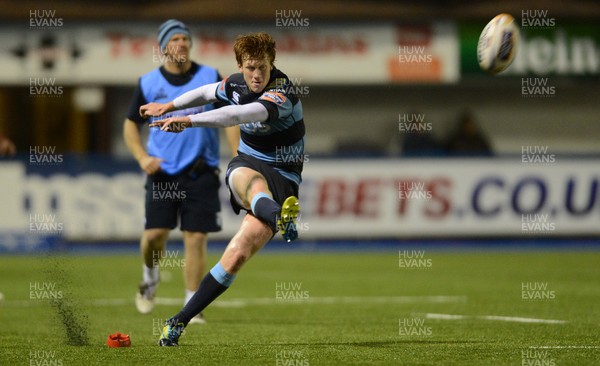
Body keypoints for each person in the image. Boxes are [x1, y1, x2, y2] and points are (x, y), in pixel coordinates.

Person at [140, 31, 304, 346]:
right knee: (252, 182)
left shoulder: (282, 94)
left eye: (264, 68)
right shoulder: (236, 83)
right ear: (240, 66)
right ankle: (281, 217)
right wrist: (168, 105)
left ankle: (177, 319)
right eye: (251, 68)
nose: (257, 75)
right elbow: (207, 92)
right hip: (248, 161)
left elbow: (236, 115)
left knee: (238, 253)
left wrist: (187, 121)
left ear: (273, 64)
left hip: (285, 172)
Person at [123, 19, 240, 324]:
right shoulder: (148, 82)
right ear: (163, 47)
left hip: (201, 170)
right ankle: (150, 278)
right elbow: (129, 125)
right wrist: (141, 156)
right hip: (162, 171)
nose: (183, 43)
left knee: (196, 237)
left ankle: (192, 304)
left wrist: (238, 156)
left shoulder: (208, 76)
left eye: (186, 38)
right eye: (175, 39)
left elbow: (230, 116)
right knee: (154, 235)